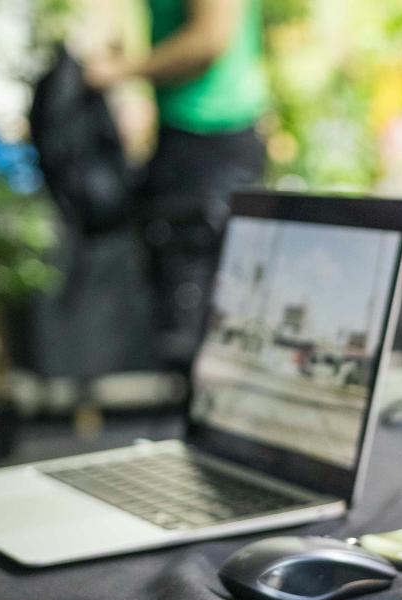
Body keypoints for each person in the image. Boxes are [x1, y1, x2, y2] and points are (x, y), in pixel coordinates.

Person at [85, 0, 268, 368]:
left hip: (215, 138)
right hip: (182, 138)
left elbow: (208, 41)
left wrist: (119, 71)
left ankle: (208, 418)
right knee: (176, 317)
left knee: (203, 320)